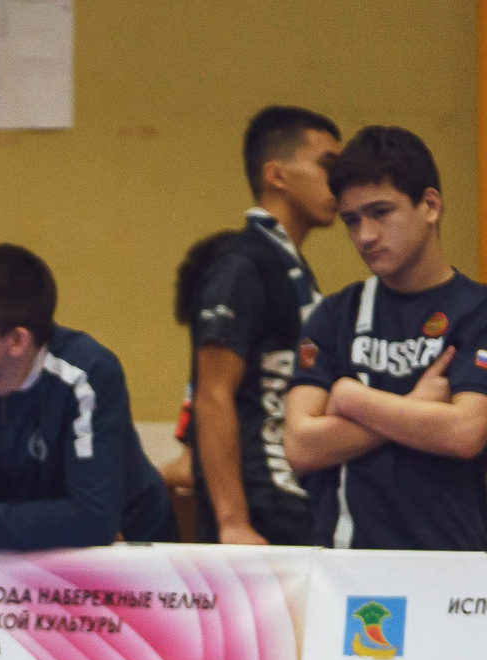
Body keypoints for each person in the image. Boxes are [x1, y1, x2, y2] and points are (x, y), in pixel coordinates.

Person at [0, 244, 175, 553]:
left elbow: (93, 520)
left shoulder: (87, 374)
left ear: (16, 341)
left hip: (137, 552)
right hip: (10, 557)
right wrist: (29, 525)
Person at [284, 126, 487, 551]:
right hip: (345, 566)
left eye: (381, 213)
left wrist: (353, 399)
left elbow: (465, 432)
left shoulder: (477, 310)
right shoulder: (334, 315)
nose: (365, 236)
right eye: (352, 221)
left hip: (451, 566)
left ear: (430, 205)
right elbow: (301, 446)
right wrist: (415, 408)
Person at [181, 106, 341, 546]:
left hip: (297, 502)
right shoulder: (241, 265)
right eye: (327, 166)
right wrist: (233, 522)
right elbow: (213, 392)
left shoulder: (289, 267)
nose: (340, 183)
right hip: (256, 514)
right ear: (277, 175)